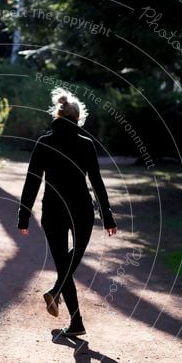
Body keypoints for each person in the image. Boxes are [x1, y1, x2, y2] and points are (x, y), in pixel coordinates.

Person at [17, 87, 117, 337]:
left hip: (52, 209)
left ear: (58, 116)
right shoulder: (85, 144)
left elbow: (32, 182)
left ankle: (73, 317)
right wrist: (107, 216)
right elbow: (96, 181)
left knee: (63, 262)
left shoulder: (43, 142)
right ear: (77, 118)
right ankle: (73, 318)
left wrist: (23, 215)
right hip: (81, 208)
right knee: (71, 259)